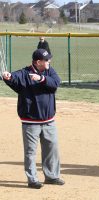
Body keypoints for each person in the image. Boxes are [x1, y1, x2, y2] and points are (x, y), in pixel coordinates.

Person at [1, 49, 64, 189]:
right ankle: (32, 179)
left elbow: (55, 83)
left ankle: (52, 176)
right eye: (47, 60)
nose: (49, 62)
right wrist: (8, 76)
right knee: (30, 152)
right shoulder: (24, 73)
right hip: (31, 123)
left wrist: (41, 79)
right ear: (38, 62)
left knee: (51, 150)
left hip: (49, 121)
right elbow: (14, 78)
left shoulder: (49, 71)